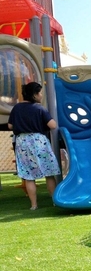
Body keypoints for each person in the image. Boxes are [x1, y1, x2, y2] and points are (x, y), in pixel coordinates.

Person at [8, 82, 61, 210]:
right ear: (34, 94)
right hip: (39, 141)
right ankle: (54, 201)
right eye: (40, 92)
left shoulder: (17, 108)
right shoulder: (39, 108)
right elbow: (53, 125)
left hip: (22, 142)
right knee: (49, 173)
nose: (41, 95)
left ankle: (34, 205)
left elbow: (10, 126)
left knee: (29, 176)